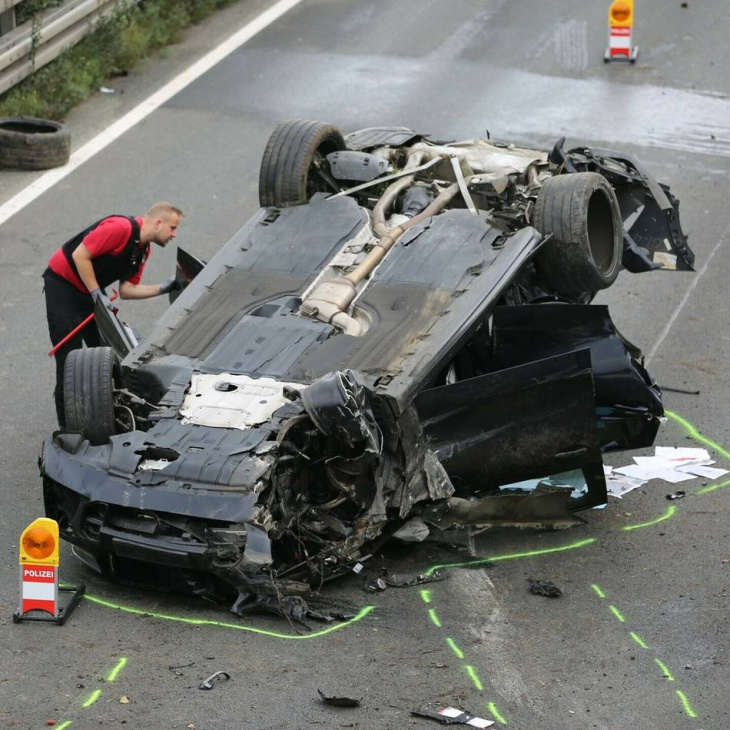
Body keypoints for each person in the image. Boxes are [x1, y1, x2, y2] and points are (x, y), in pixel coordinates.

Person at [43, 201, 184, 426]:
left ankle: (110, 411)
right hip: (63, 287)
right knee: (69, 360)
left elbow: (127, 290)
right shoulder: (121, 228)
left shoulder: (142, 250)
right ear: (158, 222)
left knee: (107, 354)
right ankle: (67, 428)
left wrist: (164, 288)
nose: (174, 234)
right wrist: (97, 293)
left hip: (89, 292)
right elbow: (81, 256)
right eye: (173, 228)